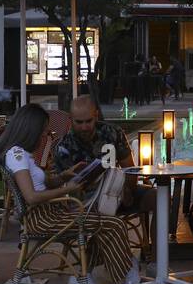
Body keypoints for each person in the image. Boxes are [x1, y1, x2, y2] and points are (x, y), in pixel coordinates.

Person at [0, 105, 150, 284]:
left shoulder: (21, 154)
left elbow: (41, 183)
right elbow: (31, 197)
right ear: (31, 129)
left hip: (52, 212)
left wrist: (64, 176)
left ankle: (86, 278)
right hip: (43, 217)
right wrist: (68, 187)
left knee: (100, 220)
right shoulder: (17, 155)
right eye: (43, 130)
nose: (45, 135)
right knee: (113, 225)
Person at [51, 96, 157, 226]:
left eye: (88, 121)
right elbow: (60, 186)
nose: (84, 127)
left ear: (96, 115)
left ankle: (158, 246)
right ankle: (97, 243)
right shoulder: (63, 147)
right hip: (85, 205)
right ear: (70, 120)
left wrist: (129, 190)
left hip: (117, 194)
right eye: (79, 122)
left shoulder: (112, 132)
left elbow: (129, 168)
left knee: (158, 197)